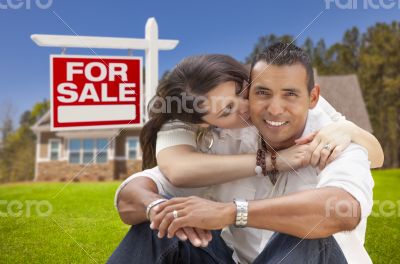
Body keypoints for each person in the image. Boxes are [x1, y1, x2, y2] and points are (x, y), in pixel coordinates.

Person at [109, 47, 379, 263]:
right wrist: (158, 209)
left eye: (244, 92)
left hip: (319, 258)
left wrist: (231, 213)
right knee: (160, 226)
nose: (251, 107)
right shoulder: (222, 140)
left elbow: (344, 209)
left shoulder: (332, 135)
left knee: (309, 228)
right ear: (208, 123)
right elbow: (139, 189)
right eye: (227, 110)